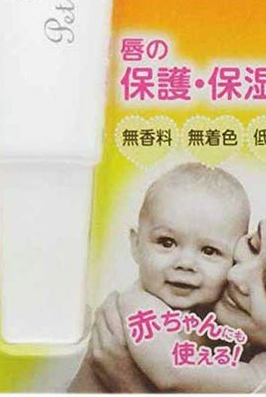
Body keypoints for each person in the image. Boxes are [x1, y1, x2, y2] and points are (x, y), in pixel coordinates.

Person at [82, 185, 266, 393]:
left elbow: (172, 372)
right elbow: (171, 371)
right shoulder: (144, 304)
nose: (235, 275)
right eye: (253, 244)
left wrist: (129, 386)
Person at [69, 163, 251, 392]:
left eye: (209, 251)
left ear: (235, 261)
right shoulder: (139, 305)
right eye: (167, 242)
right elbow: (171, 371)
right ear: (136, 245)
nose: (185, 264)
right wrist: (257, 375)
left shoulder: (214, 316)